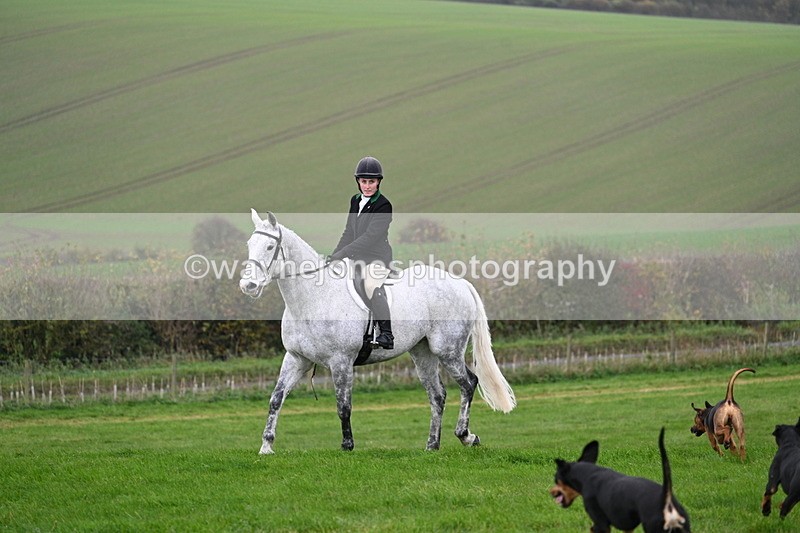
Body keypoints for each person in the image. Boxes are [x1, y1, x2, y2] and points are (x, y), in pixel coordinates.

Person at [329, 156, 394, 349]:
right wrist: (335, 255)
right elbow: (349, 232)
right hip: (357, 258)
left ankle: (387, 335)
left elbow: (370, 237)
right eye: (364, 181)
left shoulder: (384, 205)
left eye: (371, 182)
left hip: (377, 259)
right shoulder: (355, 200)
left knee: (371, 285)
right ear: (358, 181)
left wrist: (344, 253)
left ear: (378, 182)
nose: (367, 186)